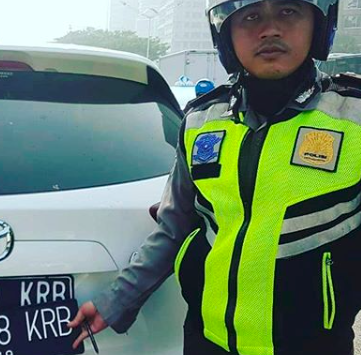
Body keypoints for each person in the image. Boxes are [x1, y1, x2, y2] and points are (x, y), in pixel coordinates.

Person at [68, 0, 361, 354]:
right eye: (251, 16)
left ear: (318, 24)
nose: (269, 29)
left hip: (315, 345)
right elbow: (173, 226)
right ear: (226, 34)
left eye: (288, 11)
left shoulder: (352, 116)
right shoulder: (202, 121)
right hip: (207, 342)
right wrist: (113, 302)